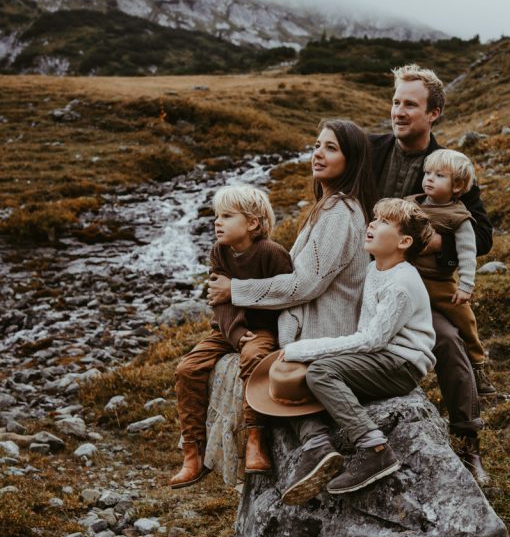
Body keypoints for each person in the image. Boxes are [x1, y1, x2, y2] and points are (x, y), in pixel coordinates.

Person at [207, 119, 377, 469]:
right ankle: (314, 445)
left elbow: (305, 284)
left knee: (273, 381)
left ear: (353, 159)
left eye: (331, 148)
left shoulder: (341, 212)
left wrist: (235, 290)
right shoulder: (329, 207)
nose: (319, 153)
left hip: (326, 330)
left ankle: (316, 446)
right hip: (315, 326)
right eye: (317, 145)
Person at [369, 64, 493, 486]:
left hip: (418, 287)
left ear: (433, 113)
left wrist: (437, 246)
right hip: (361, 278)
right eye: (396, 102)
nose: (399, 111)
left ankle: (468, 443)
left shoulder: (450, 167)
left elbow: (483, 235)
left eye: (410, 105)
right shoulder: (369, 150)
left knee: (449, 341)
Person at [272, 197, 436, 504]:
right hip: (382, 357)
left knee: (320, 370)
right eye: (373, 218)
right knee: (305, 378)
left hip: (402, 364)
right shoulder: (375, 269)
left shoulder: (401, 282)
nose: (371, 225)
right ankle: (317, 445)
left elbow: (371, 340)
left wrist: (306, 348)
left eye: (384, 222)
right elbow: (366, 337)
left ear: (404, 241)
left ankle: (374, 447)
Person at [170, 184, 292, 489]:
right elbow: (219, 301)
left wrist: (253, 338)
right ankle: (193, 454)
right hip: (227, 330)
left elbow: (286, 295)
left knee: (253, 358)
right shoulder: (219, 251)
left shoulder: (272, 254)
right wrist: (235, 334)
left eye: (226, 215)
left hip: (264, 330)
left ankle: (255, 439)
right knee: (188, 369)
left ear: (252, 223)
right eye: (216, 215)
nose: (217, 222)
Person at [407, 148, 496, 395]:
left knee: (464, 319)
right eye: (427, 173)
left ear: (457, 186)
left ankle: (477, 363)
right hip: (406, 276)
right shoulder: (410, 204)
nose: (429, 179)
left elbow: (467, 254)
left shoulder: (460, 218)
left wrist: (466, 286)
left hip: (439, 282)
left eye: (439, 175)